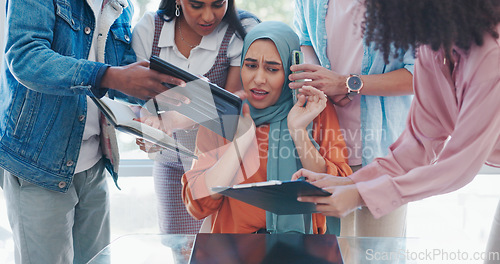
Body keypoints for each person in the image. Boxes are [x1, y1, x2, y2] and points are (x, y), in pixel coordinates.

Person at [292, 0, 500, 262]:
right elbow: (418, 145)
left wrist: (359, 194)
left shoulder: (489, 55)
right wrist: (350, 182)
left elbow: (459, 166)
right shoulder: (430, 49)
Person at [0, 0, 186, 263]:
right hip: (39, 165)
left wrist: (160, 96)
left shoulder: (121, 4)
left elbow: (119, 75)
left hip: (95, 164)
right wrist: (108, 75)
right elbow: (25, 56)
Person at [181, 21, 352, 234]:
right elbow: (197, 204)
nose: (258, 79)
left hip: (302, 248)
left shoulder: (315, 109)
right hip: (236, 250)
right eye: (251, 65)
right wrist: (241, 141)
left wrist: (298, 131)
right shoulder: (224, 113)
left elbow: (338, 191)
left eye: (272, 69)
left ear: (292, 71)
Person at [131, 0, 259, 234]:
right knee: (181, 250)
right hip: (169, 160)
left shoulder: (243, 30)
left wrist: (174, 120)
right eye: (196, 5)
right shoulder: (149, 29)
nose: (208, 16)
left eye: (218, 4)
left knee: (223, 250)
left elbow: (233, 108)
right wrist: (147, 129)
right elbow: (139, 102)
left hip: (222, 163)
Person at [290, 0, 415, 236]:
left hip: (384, 152)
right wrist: (323, 84)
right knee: (331, 253)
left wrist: (347, 84)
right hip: (326, 150)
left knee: (378, 255)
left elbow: (420, 75)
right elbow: (304, 40)